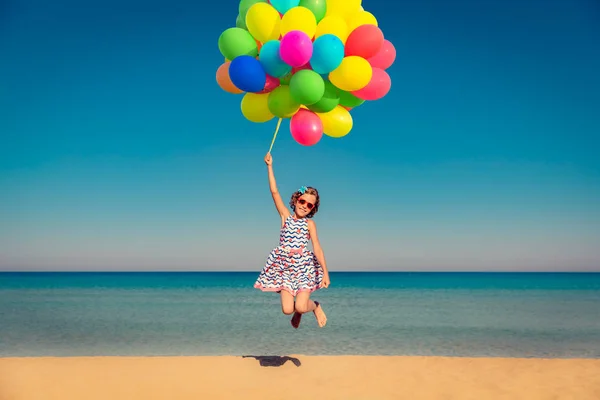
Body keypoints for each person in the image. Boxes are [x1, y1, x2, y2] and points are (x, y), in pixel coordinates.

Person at [254, 152, 330, 328]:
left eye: (309, 205)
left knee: (302, 306)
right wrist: (270, 166)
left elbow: (317, 247)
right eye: (303, 201)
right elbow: (274, 191)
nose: (305, 206)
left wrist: (325, 273)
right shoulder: (285, 217)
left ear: (313, 209)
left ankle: (315, 306)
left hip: (303, 268)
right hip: (285, 269)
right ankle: (296, 312)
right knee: (287, 309)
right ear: (296, 200)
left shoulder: (310, 224)